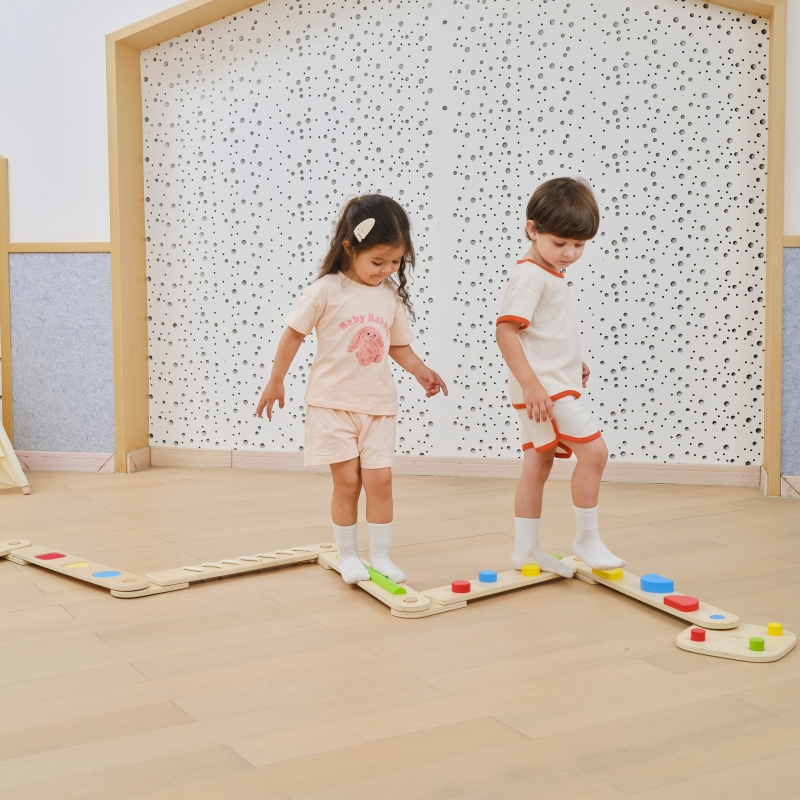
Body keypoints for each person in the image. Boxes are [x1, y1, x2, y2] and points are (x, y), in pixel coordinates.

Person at [257, 195, 447, 584]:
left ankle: (380, 556)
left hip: (378, 406)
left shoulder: (389, 295)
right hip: (332, 404)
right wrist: (277, 379)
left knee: (380, 481)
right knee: (347, 482)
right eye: (378, 262)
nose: (387, 270)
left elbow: (397, 345)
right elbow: (293, 334)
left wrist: (420, 370)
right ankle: (348, 556)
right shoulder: (326, 290)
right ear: (349, 248)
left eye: (395, 262)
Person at [495, 177, 624, 576]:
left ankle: (526, 549)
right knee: (595, 453)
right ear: (532, 229)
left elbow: (541, 333)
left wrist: (571, 363)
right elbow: (506, 331)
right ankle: (586, 539)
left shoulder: (547, 272)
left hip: (550, 382)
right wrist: (532, 384)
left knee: (538, 463)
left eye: (579, 245)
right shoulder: (531, 276)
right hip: (544, 390)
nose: (569, 253)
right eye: (560, 243)